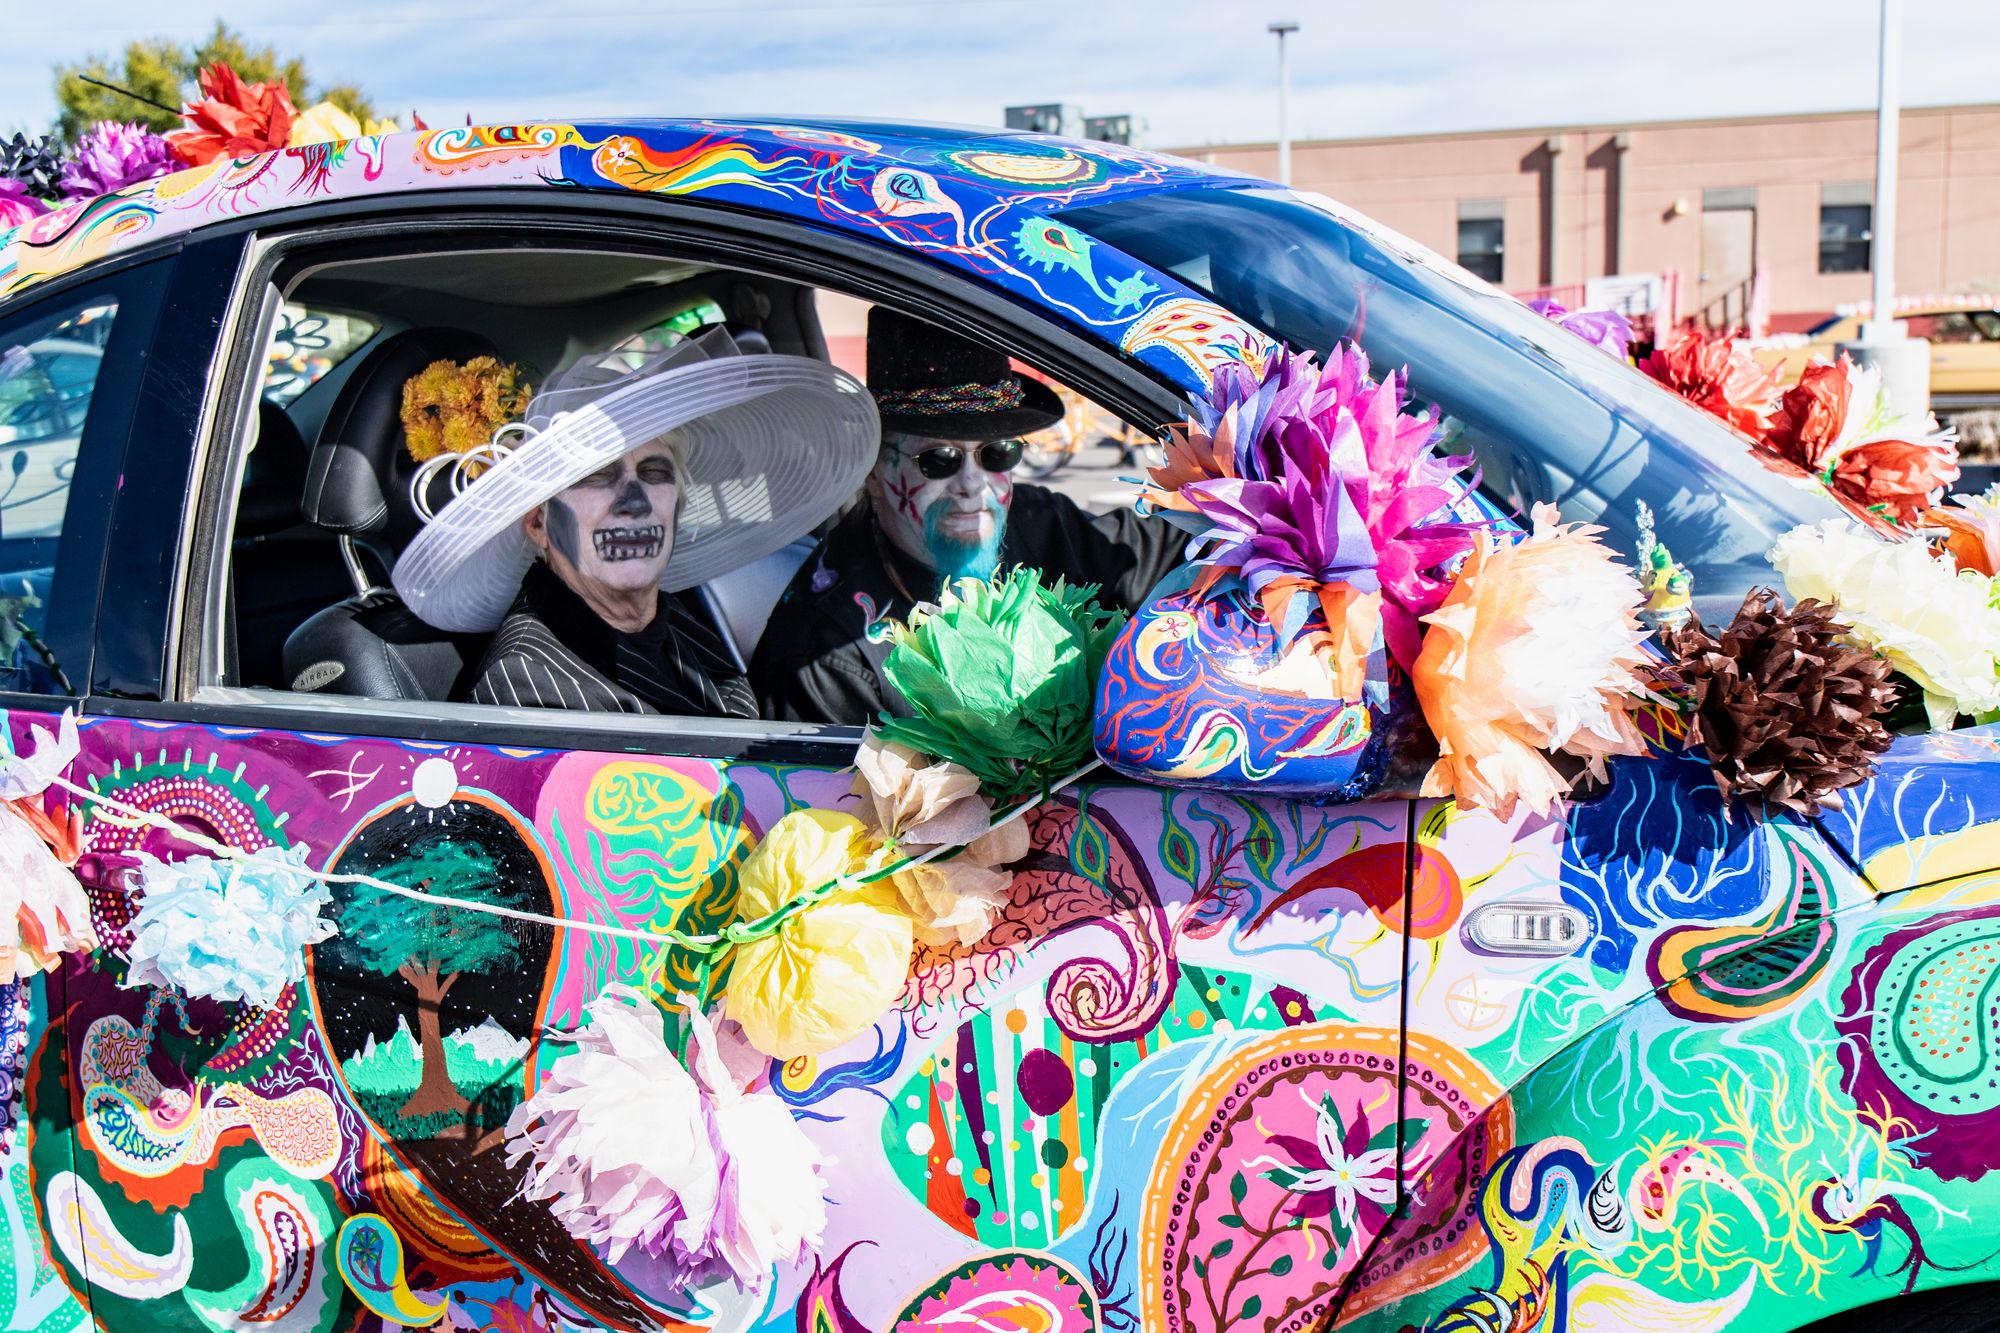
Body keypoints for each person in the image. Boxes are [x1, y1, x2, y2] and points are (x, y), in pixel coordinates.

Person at [391, 331, 879, 716]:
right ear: (539, 522)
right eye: (596, 477)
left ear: (678, 506)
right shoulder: (533, 685)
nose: (634, 502)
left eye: (654, 473)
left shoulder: (680, 628)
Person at [751, 309, 1184, 724]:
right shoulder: (827, 651)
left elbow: (1178, 549)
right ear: (874, 469)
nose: (973, 485)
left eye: (998, 454)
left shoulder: (1040, 521)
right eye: (939, 459)